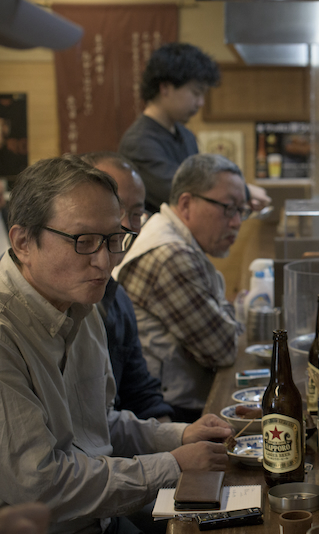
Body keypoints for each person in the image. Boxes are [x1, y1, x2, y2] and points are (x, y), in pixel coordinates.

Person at [0, 155, 231, 534]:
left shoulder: (80, 300)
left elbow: (94, 425)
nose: (104, 262)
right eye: (84, 241)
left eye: (112, 239)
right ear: (24, 241)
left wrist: (181, 434)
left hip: (101, 514)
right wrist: (173, 464)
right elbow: (39, 488)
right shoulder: (6, 330)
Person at [115, 153, 246, 422]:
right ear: (186, 204)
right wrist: (226, 317)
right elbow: (223, 348)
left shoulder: (173, 236)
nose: (236, 222)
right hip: (164, 413)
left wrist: (224, 318)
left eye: (242, 211)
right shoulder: (170, 256)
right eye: (229, 208)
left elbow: (223, 330)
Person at [118, 42, 270, 214]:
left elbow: (198, 181)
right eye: (196, 92)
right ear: (165, 87)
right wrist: (244, 191)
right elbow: (181, 190)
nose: (200, 103)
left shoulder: (185, 134)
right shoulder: (138, 142)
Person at [82, 151, 175, 421]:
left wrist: (177, 438)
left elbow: (141, 394)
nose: (126, 225)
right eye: (115, 208)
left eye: (136, 214)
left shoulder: (117, 297)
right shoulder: (60, 301)